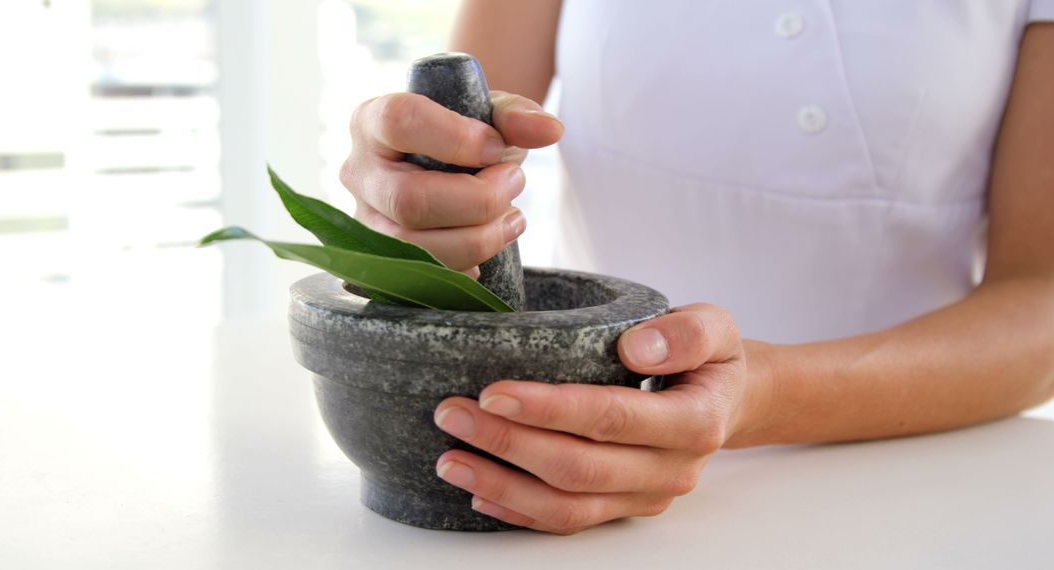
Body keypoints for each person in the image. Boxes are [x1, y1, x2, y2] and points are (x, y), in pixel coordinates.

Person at [339, 0, 1054, 534]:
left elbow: (1041, 298)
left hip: (926, 492)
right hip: (578, 485)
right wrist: (407, 185)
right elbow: (457, 142)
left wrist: (763, 396)